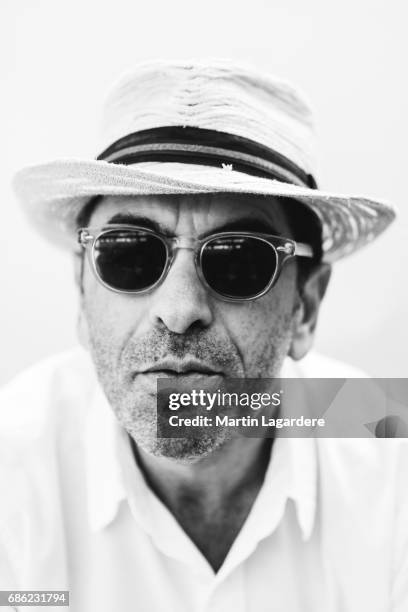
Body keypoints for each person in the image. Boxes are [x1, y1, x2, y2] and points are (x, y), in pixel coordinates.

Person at [1, 59, 407, 611]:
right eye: (129, 255)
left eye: (241, 262)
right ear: (80, 290)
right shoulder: (16, 455)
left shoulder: (384, 434)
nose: (180, 310)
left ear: (305, 307)